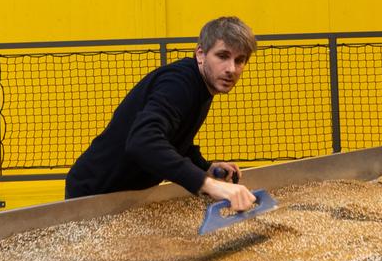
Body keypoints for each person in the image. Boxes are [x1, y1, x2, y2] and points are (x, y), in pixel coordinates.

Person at [64, 15, 259, 213]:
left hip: (125, 197)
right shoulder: (178, 84)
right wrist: (209, 184)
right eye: (223, 56)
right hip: (94, 193)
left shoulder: (202, 86)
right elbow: (142, 141)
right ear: (200, 54)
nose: (231, 69)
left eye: (240, 60)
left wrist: (204, 167)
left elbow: (173, 137)